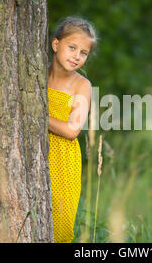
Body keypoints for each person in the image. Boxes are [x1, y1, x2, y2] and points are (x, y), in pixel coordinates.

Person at [47, 16, 98, 243]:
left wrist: (36, 117)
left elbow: (72, 130)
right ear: (56, 44)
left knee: (59, 225)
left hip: (63, 160)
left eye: (83, 52)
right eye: (72, 47)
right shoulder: (35, 73)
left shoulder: (81, 85)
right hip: (35, 154)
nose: (77, 56)